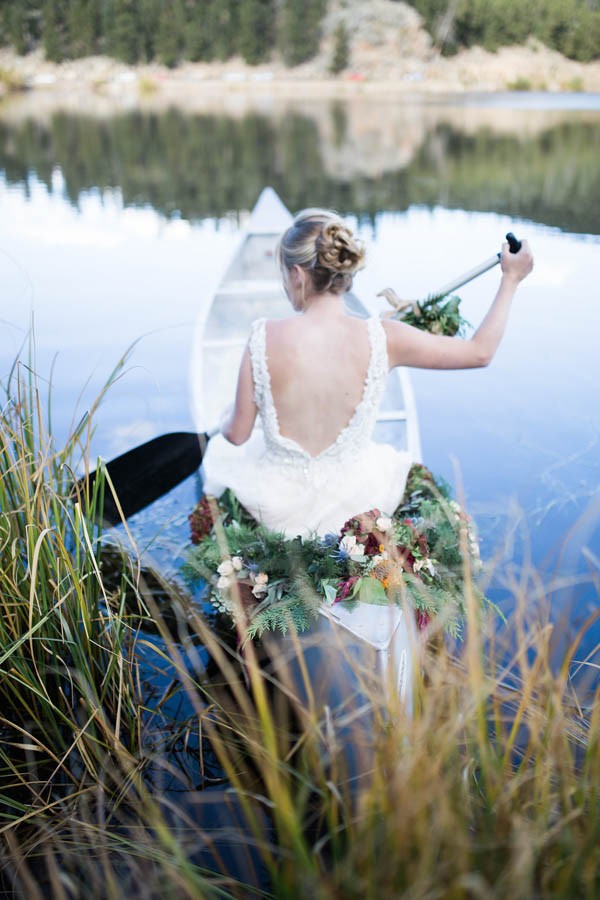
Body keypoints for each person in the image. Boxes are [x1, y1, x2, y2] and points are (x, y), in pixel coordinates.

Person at [202, 208, 533, 540]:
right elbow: (479, 352)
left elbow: (238, 435)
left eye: (285, 275)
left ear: (298, 275)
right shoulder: (384, 337)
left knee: (222, 455)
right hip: (358, 503)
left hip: (274, 504)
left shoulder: (262, 336)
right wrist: (511, 279)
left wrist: (227, 417)